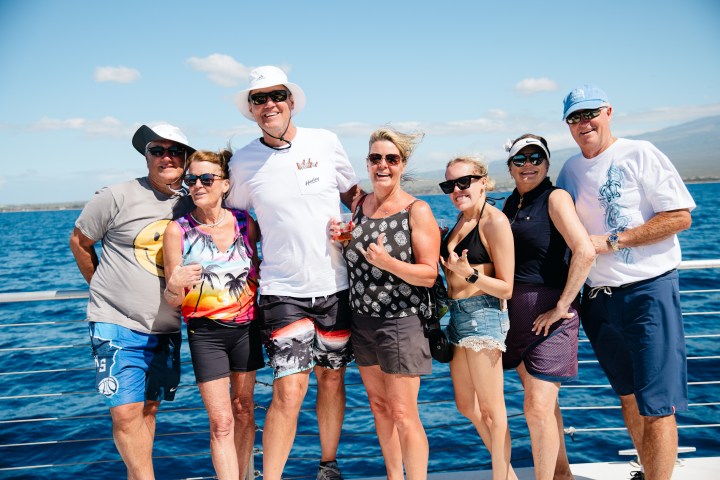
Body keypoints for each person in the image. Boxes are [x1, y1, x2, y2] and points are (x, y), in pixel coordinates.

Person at [225, 65, 362, 480]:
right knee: (289, 389)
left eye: (276, 95)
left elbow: (354, 195)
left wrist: (355, 227)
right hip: (282, 290)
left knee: (332, 382)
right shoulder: (245, 161)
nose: (269, 104)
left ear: (291, 101)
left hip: (336, 286)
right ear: (251, 109)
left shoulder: (325, 141)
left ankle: (328, 466)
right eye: (259, 98)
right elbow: (237, 220)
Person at [556, 85, 695, 480]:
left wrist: (615, 241)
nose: (584, 124)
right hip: (599, 300)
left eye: (590, 114)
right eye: (574, 118)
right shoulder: (569, 170)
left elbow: (680, 217)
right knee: (630, 398)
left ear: (608, 112)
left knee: (658, 405)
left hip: (648, 292)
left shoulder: (640, 153)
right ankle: (646, 472)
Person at [69, 124, 195, 478]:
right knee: (125, 412)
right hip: (116, 321)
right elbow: (80, 242)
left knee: (149, 409)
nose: (166, 157)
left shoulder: (190, 201)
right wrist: (100, 287)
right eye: (158, 150)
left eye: (175, 151)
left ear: (186, 159)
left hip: (166, 324)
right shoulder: (116, 196)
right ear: (146, 156)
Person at [331, 128, 438, 480]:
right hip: (363, 321)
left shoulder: (416, 210)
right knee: (379, 408)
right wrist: (340, 238)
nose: (383, 165)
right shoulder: (360, 205)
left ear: (402, 165)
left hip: (401, 321)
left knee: (405, 413)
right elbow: (354, 250)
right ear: (367, 163)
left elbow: (429, 275)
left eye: (391, 159)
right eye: (376, 158)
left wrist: (388, 263)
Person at [162, 149, 264, 479]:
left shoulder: (245, 222)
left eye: (207, 179)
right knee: (221, 422)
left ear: (225, 185)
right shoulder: (177, 231)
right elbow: (173, 300)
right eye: (192, 180)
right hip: (206, 334)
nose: (198, 185)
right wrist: (175, 284)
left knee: (244, 409)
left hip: (247, 328)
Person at [501, 134, 595, 480]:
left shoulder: (555, 198)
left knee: (536, 407)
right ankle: (561, 474)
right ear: (510, 166)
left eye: (536, 157)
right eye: (520, 159)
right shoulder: (511, 203)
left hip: (550, 318)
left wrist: (561, 307)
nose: (529, 165)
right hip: (517, 317)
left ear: (547, 162)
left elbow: (584, 251)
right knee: (545, 405)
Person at [439, 157, 517, 480]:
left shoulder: (494, 222)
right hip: (457, 319)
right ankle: (508, 473)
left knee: (492, 411)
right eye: (449, 185)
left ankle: (502, 476)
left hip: (484, 316)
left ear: (483, 181)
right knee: (465, 405)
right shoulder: (459, 222)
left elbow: (507, 287)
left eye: (464, 182)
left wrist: (470, 275)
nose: (457, 190)